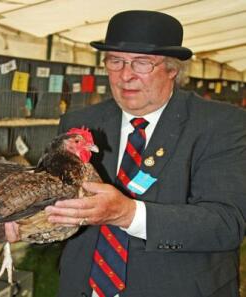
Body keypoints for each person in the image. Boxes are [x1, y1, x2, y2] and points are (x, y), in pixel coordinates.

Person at [40, 10, 246, 297]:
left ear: (173, 69)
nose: (126, 75)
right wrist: (21, 221)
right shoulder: (81, 124)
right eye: (116, 61)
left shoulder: (222, 124)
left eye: (142, 63)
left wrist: (128, 214)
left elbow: (227, 223)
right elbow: (55, 198)